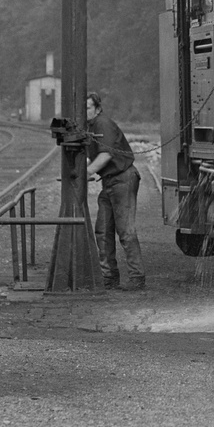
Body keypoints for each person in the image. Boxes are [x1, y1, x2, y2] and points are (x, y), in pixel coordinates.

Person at [85, 91, 145, 291]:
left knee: (126, 232)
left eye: (87, 108)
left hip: (123, 179)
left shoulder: (102, 124)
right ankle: (109, 278)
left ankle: (137, 279)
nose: (84, 112)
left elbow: (106, 154)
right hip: (109, 182)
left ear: (97, 109)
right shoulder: (90, 127)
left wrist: (88, 171)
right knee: (102, 230)